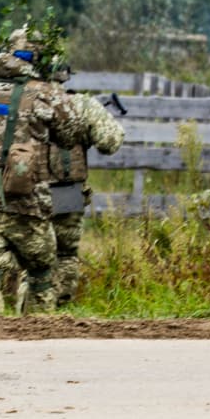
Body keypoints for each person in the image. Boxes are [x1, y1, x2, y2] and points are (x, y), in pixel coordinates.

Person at [0, 27, 82, 314]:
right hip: (25, 202)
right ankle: (36, 332)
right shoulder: (45, 94)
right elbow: (69, 136)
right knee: (41, 273)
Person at [45, 69, 125, 307]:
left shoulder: (18, 100)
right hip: (66, 190)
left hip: (22, 189)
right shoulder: (80, 103)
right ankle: (59, 311)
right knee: (65, 253)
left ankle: (27, 310)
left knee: (29, 254)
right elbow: (110, 142)